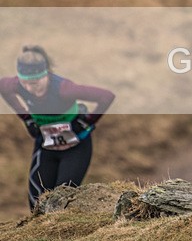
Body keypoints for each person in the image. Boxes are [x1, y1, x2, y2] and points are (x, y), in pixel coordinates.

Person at [0, 45, 115, 210]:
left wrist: (85, 123)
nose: (30, 89)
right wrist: (26, 118)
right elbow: (3, 87)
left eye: (35, 83)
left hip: (75, 148)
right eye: (25, 83)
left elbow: (106, 96)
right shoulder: (16, 85)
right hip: (46, 146)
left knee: (61, 202)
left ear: (45, 74)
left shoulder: (64, 89)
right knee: (36, 203)